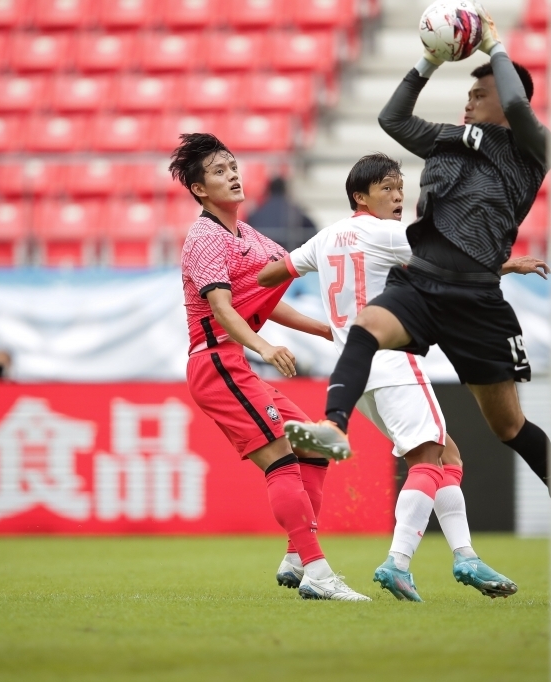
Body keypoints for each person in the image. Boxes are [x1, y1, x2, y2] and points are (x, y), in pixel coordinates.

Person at [284, 7, 551, 496]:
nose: (468, 102)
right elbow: (392, 118)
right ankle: (334, 426)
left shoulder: (532, 150)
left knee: (509, 427)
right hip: (423, 283)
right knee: (366, 327)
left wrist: (494, 46)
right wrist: (428, 62)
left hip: (476, 299)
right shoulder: (449, 139)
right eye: (468, 93)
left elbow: (517, 109)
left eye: (480, 93)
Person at [259, 153, 545, 601]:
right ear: (361, 195)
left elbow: (270, 273)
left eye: (400, 187)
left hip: (355, 373)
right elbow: (457, 255)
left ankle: (465, 556)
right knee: (428, 461)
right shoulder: (390, 234)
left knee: (448, 457)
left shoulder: (326, 237)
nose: (398, 196)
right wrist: (511, 264)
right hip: (394, 361)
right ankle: (398, 561)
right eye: (388, 188)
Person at [172, 132, 370, 602]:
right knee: (281, 459)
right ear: (199, 189)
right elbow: (222, 307)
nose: (233, 174)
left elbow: (267, 295)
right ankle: (317, 571)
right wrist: (263, 345)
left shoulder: (247, 235)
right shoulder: (203, 237)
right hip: (216, 362)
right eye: (219, 171)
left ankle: (297, 556)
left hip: (233, 361)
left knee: (319, 446)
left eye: (233, 166)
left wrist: (321, 329)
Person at [246, 177, 317, 251]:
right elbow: (313, 235)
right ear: (286, 190)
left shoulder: (256, 213)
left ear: (268, 191)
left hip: (261, 255)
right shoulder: (294, 211)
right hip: (286, 256)